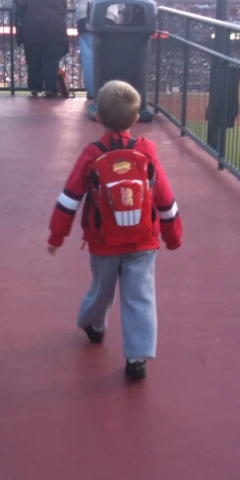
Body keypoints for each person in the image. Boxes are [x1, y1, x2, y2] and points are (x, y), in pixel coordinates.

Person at [47, 80, 183, 380]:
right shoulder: (147, 151)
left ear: (97, 117)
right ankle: (137, 358)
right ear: (136, 119)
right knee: (141, 296)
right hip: (143, 241)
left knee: (101, 290)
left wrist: (56, 237)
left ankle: (92, 322)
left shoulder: (91, 154)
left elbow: (69, 198)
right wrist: (173, 237)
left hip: (103, 241)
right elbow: (165, 197)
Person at [18, 0, 68, 97]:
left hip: (34, 30)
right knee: (51, 62)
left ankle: (34, 88)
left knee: (33, 60)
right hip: (55, 30)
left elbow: (20, 4)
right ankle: (50, 89)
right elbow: (64, 7)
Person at [75, 0, 119, 100]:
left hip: (85, 19)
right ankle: (107, 91)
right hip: (107, 20)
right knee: (107, 57)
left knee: (89, 58)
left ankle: (92, 93)